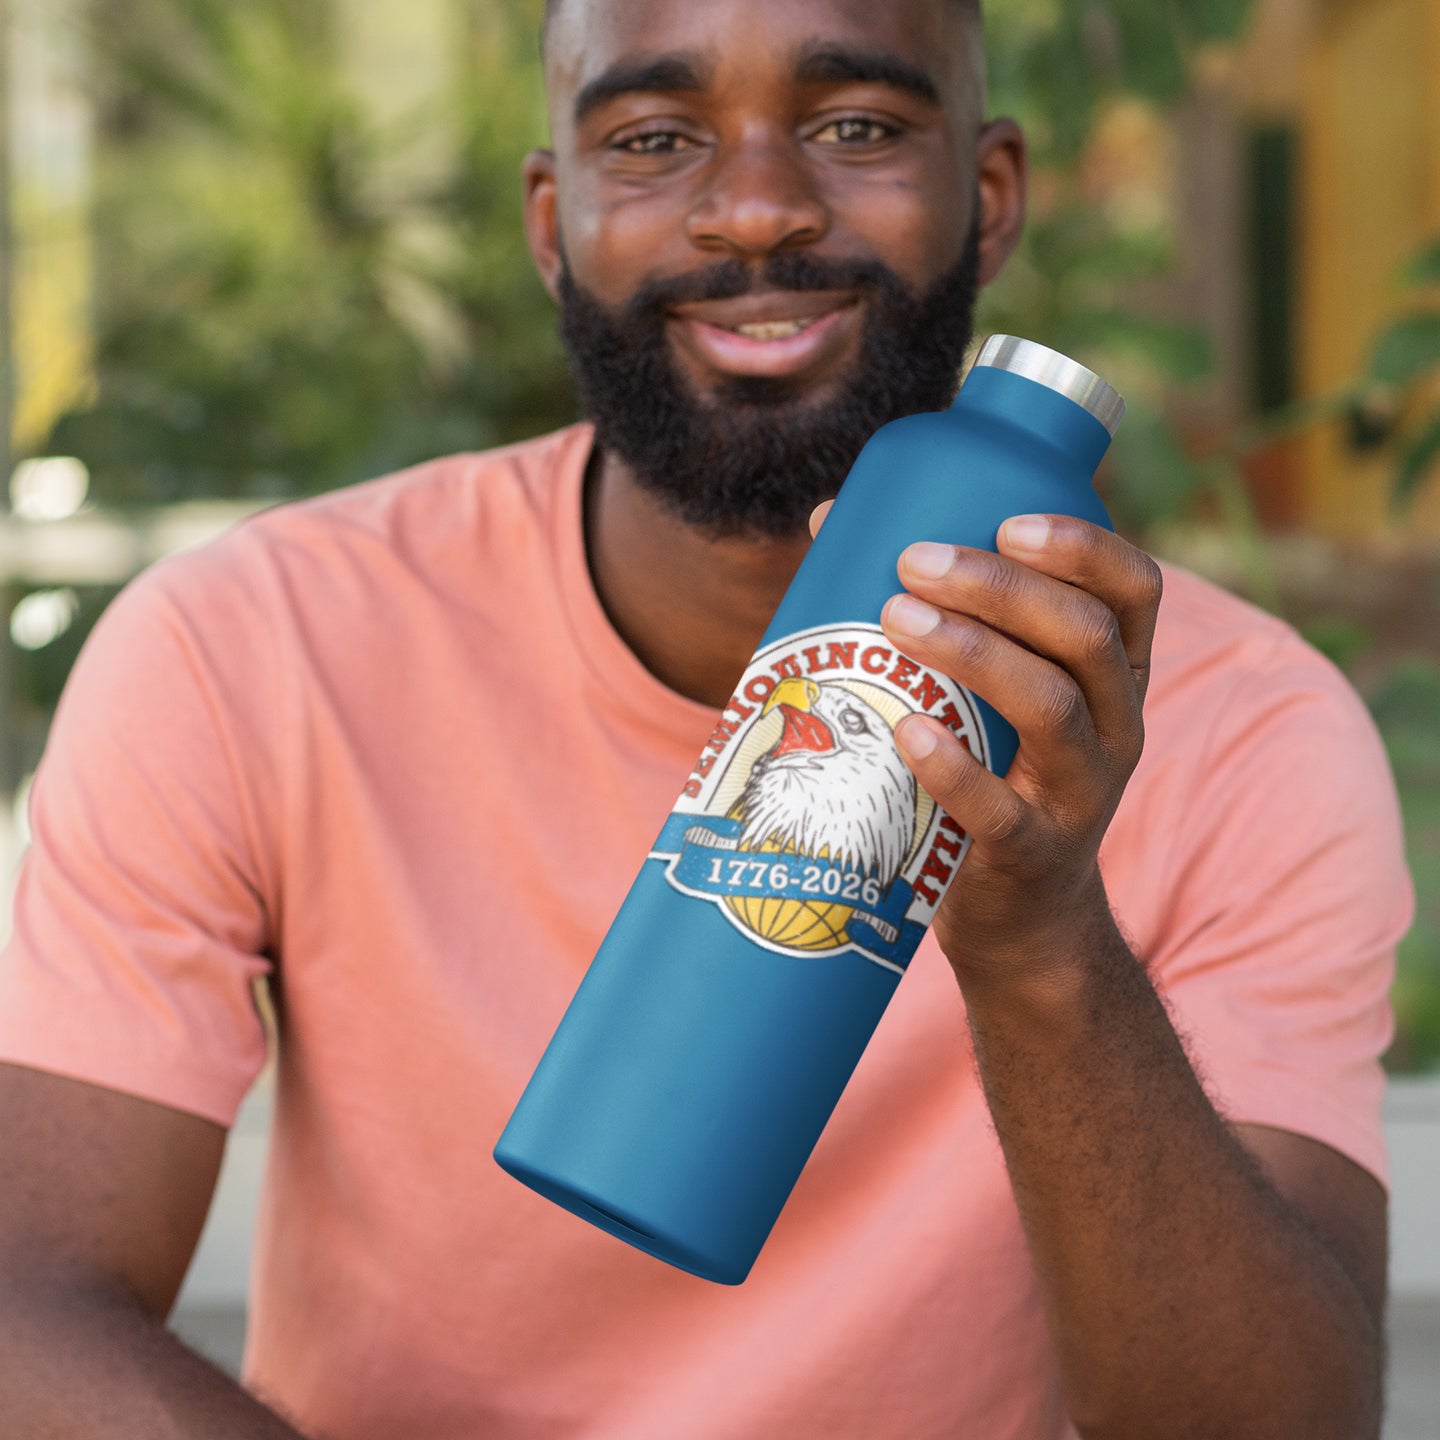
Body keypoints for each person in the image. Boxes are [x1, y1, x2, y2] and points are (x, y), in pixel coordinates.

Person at [0, 0, 1410, 1436]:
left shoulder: (1242, 732)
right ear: (554, 225)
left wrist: (1043, 948)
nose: (754, 212)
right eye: (655, 137)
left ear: (987, 201)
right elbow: (24, 1295)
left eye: (856, 127)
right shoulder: (253, 648)